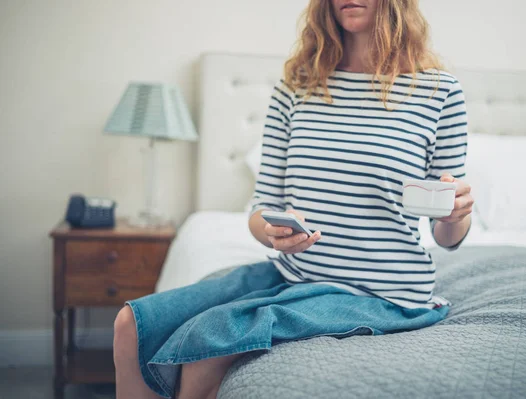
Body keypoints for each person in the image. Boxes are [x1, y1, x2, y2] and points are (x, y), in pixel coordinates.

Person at [113, 1, 474, 398]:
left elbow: (447, 234)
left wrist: (456, 214)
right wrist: (272, 233)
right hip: (294, 276)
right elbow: (262, 206)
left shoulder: (439, 92)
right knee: (130, 325)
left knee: (205, 343)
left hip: (385, 296)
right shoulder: (297, 86)